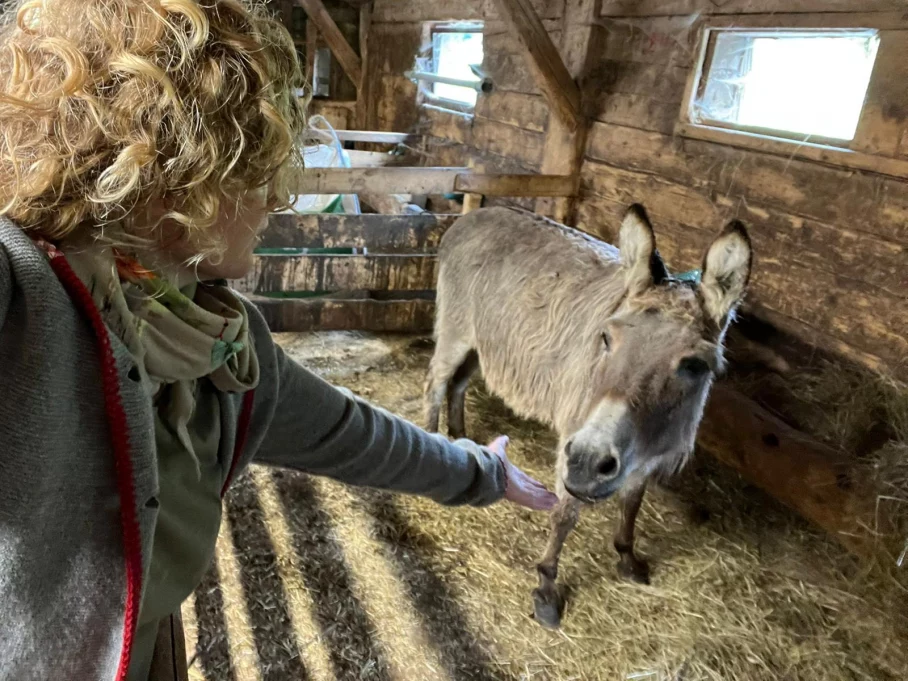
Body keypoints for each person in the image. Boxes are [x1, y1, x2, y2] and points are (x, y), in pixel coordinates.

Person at [0, 1, 557, 679]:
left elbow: (353, 434)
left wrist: (484, 471)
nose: (278, 200)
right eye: (252, 172)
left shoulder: (224, 345)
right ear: (173, 177)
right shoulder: (25, 306)